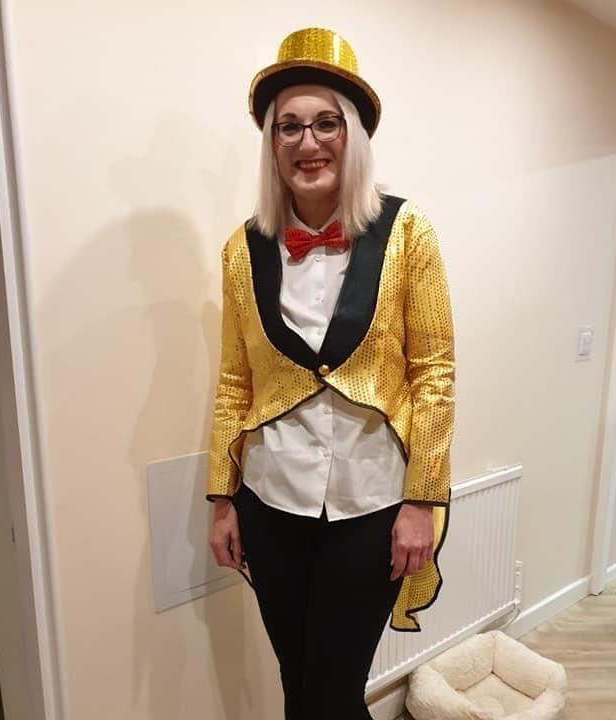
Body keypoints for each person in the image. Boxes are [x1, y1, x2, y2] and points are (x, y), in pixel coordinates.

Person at [206, 27, 455, 720]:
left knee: (333, 692)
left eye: (326, 123)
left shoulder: (407, 232)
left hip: (372, 505)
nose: (307, 142)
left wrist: (422, 503)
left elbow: (434, 374)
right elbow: (234, 381)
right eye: (288, 126)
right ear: (271, 142)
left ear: (353, 135)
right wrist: (222, 498)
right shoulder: (241, 250)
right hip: (269, 500)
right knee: (299, 684)